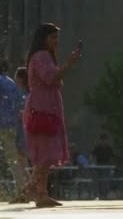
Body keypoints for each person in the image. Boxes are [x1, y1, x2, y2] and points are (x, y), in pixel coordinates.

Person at [22, 23, 80, 207]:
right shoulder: (42, 56)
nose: (56, 42)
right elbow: (50, 77)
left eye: (57, 38)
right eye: (53, 37)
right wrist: (69, 64)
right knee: (45, 153)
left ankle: (41, 193)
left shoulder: (42, 56)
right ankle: (31, 188)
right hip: (42, 109)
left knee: (44, 153)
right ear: (44, 38)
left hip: (45, 107)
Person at [0, 59, 30, 203]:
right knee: (14, 161)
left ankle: (17, 192)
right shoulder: (11, 83)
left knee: (12, 160)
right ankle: (22, 191)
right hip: (11, 125)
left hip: (2, 125)